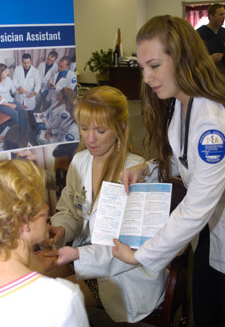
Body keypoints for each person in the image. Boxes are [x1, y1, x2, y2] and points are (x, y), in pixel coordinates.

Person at [112, 15, 225, 327]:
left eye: (154, 65)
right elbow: (184, 157)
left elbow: (197, 204)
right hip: (210, 231)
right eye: (142, 67)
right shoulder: (184, 104)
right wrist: (146, 168)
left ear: (182, 60)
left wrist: (142, 255)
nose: (146, 77)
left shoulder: (211, 122)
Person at [46, 86, 168, 323]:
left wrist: (78, 254)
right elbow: (69, 210)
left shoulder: (136, 171)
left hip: (124, 273)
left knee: (51, 301)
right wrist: (61, 228)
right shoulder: (80, 162)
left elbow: (130, 249)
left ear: (121, 127)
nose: (90, 139)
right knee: (33, 279)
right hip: (84, 257)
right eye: (84, 128)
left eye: (100, 130)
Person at [0, 159, 89, 327]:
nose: (46, 208)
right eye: (40, 202)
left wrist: (33, 267)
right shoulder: (61, 299)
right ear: (24, 220)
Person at [197, 3, 225, 74]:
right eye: (220, 14)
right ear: (210, 16)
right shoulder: (199, 34)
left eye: (224, 14)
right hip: (208, 73)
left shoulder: (223, 32)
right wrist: (209, 59)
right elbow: (192, 56)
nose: (223, 17)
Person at [0, 63, 27, 130]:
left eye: (7, 71)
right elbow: (1, 100)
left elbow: (14, 90)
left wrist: (22, 92)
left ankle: (23, 129)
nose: (7, 73)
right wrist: (10, 105)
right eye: (5, 72)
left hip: (10, 99)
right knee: (14, 114)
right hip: (2, 103)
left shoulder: (8, 79)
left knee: (21, 109)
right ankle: (16, 131)